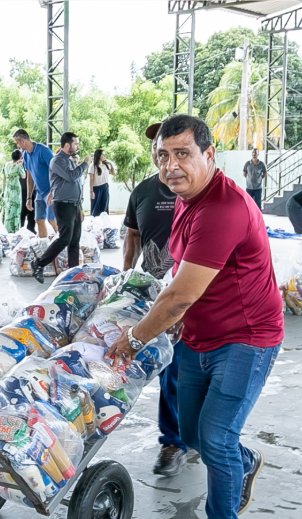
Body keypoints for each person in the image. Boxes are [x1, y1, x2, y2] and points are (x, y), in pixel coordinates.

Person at [107, 114, 283, 519]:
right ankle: (244, 462)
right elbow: (184, 278)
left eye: (182, 154)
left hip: (246, 338)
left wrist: (135, 338)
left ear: (209, 154)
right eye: (162, 156)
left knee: (215, 437)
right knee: (189, 433)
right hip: (199, 335)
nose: (171, 166)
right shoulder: (187, 201)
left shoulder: (224, 207)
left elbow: (180, 295)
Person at [123, 122, 185, 477]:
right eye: (160, 150)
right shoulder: (142, 191)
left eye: (176, 150)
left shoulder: (194, 191)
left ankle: (188, 437)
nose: (166, 157)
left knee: (187, 371)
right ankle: (173, 441)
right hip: (153, 292)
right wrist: (124, 279)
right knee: (170, 369)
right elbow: (132, 237)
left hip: (192, 293)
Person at [30, 132, 90, 282]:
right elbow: (71, 176)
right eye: (75, 143)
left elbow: (76, 183)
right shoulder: (57, 161)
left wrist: (80, 207)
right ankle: (39, 263)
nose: (77, 146)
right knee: (65, 239)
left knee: (74, 241)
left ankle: (73, 274)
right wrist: (85, 164)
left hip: (74, 205)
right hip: (63, 205)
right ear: (67, 144)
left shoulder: (69, 160)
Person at [13, 129, 55, 238]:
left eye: (17, 142)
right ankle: (43, 244)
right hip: (40, 192)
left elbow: (56, 170)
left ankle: (65, 244)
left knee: (52, 219)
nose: (17, 145)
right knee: (39, 219)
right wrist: (29, 198)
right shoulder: (25, 155)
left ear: (23, 141)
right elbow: (30, 176)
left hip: (51, 190)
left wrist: (53, 191)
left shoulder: (43, 150)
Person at [1, 150, 26, 233]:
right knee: (15, 210)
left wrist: (2, 190)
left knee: (8, 209)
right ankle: (14, 230)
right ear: (20, 157)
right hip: (15, 190)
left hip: (7, 189)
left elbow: (4, 178)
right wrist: (21, 165)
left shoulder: (6, 164)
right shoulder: (18, 166)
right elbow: (23, 176)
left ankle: (7, 229)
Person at [89, 148, 114, 216]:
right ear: (99, 155)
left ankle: (104, 221)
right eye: (103, 154)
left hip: (105, 187)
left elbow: (113, 173)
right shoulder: (92, 166)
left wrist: (110, 164)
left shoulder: (105, 165)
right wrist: (91, 191)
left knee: (104, 207)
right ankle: (94, 221)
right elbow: (91, 179)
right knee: (95, 207)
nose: (105, 156)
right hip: (96, 188)